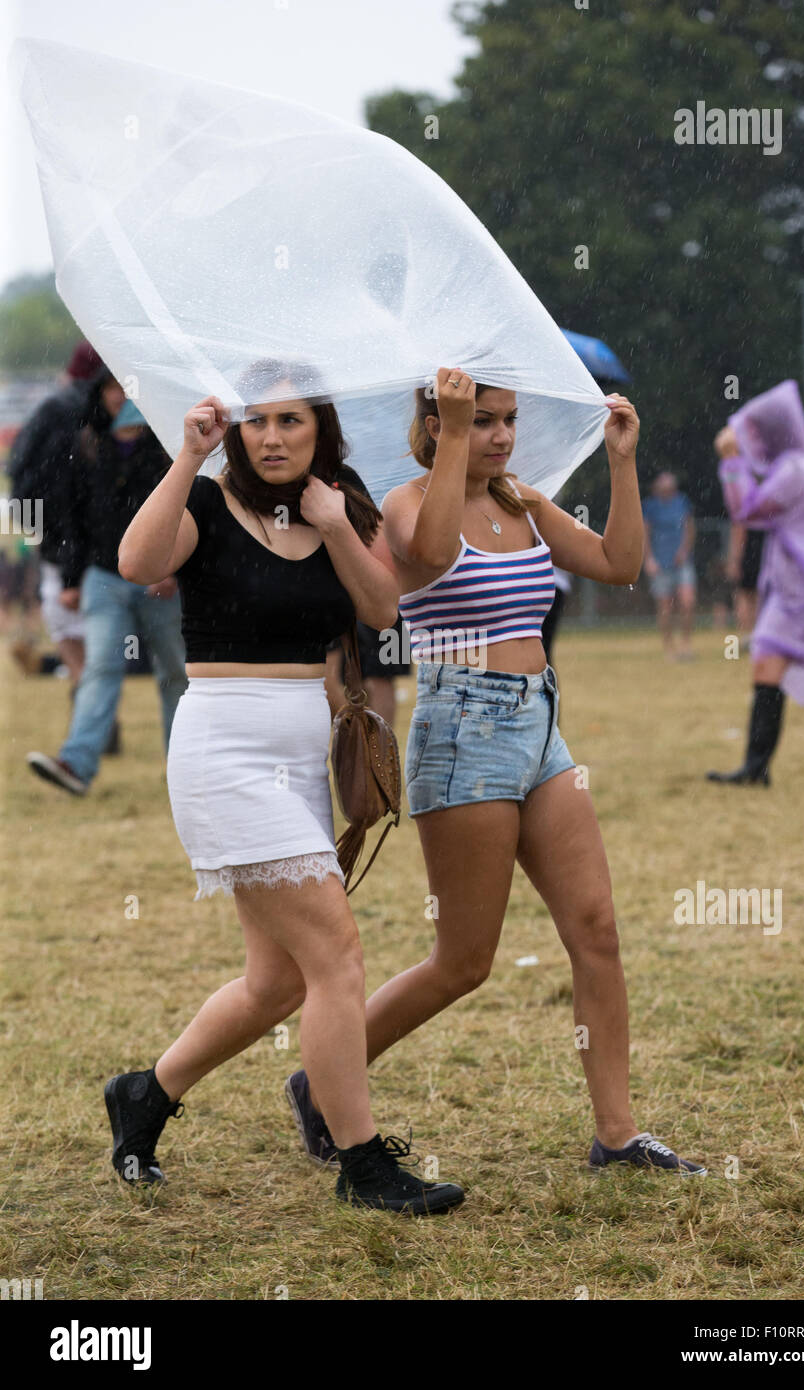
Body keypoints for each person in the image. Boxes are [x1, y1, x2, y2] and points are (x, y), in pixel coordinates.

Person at [286, 367, 707, 1178]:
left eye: (507, 420)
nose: (502, 436)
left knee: (597, 931)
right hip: (461, 729)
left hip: (540, 723)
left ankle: (616, 1138)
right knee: (464, 961)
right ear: (439, 422)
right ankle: (324, 1075)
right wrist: (450, 440)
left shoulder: (522, 500)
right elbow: (433, 556)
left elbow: (621, 565)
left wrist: (621, 462)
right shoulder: (409, 503)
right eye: (480, 421)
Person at [105, 361, 464, 1216]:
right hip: (222, 751)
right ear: (235, 428)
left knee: (278, 983)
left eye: (291, 422)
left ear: (319, 430)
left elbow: (381, 613)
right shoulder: (205, 504)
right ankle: (363, 1164)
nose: (272, 438)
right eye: (257, 422)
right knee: (337, 956)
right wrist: (186, 459)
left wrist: (339, 526)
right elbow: (134, 561)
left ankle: (144, 1095)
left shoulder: (334, 505)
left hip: (302, 756)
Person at [707, 379, 804, 786]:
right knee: (769, 661)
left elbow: (747, 510)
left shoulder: (796, 472)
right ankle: (755, 768)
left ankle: (755, 769)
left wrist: (730, 460)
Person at [25, 396, 186, 795]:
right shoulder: (88, 448)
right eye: (113, 387)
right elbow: (73, 517)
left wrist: (171, 567)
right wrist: (71, 579)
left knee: (176, 673)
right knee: (100, 667)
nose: (120, 397)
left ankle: (184, 767)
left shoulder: (169, 449)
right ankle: (76, 765)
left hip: (158, 580)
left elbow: (185, 509)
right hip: (103, 577)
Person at [7, 341, 114, 689]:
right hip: (104, 537)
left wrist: (37, 531)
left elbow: (20, 470)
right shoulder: (111, 408)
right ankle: (91, 696)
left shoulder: (57, 408)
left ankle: (85, 689)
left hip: (62, 534)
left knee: (66, 618)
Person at [642, 471, 696, 659]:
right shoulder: (650, 506)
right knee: (665, 607)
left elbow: (690, 529)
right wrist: (648, 559)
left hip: (681, 562)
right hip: (660, 562)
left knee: (687, 602)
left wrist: (684, 551)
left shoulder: (682, 502)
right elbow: (644, 534)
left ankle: (686, 645)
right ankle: (669, 647)